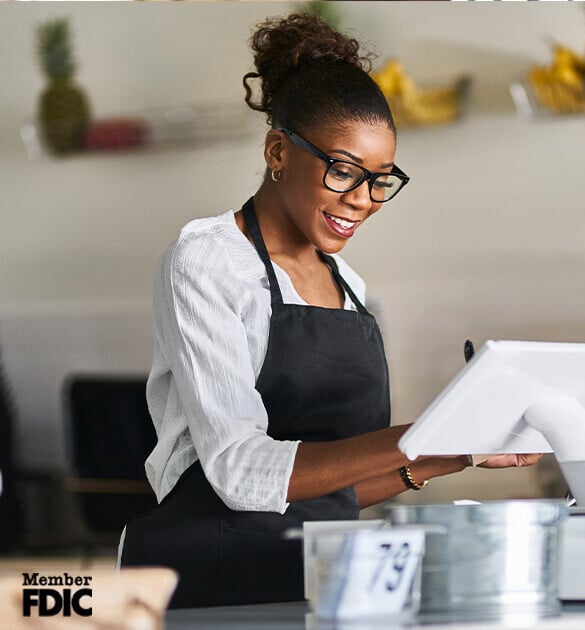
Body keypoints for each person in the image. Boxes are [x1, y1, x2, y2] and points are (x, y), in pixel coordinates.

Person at [118, 14, 539, 608]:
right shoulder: (206, 263)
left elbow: (335, 488)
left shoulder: (351, 286)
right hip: (209, 583)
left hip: (323, 577)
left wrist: (460, 448)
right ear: (277, 151)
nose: (363, 201)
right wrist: (421, 435)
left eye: (380, 181)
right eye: (344, 171)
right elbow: (241, 472)